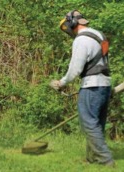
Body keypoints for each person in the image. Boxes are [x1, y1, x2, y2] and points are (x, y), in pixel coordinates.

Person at [49, 10, 115, 166]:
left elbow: (75, 69)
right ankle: (92, 158)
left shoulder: (81, 40)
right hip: (104, 84)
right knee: (97, 123)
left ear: (72, 23)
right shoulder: (99, 36)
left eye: (67, 27)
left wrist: (61, 82)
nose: (68, 31)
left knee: (89, 123)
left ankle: (106, 160)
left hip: (91, 86)